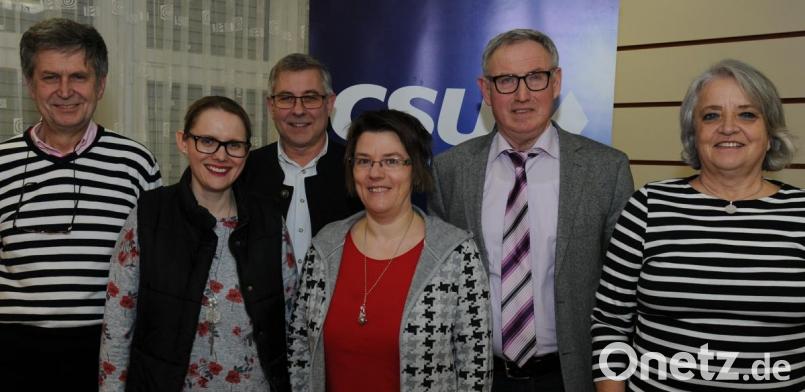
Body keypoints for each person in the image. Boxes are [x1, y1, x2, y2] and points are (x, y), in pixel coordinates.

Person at [429, 28, 634, 392]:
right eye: (506, 80)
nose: (522, 95)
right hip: (478, 378)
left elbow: (621, 294)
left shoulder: (607, 169)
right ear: (485, 90)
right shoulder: (451, 171)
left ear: (556, 82)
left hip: (571, 379)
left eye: (535, 78)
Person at [591, 59, 803, 391]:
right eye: (711, 115)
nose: (728, 127)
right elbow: (609, 324)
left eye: (747, 114)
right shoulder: (648, 207)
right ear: (694, 132)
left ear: (770, 133)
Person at [0, 18, 161, 390]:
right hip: (12, 356)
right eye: (50, 77)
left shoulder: (136, 164)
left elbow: (155, 272)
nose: (65, 90)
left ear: (100, 85)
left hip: (106, 355)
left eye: (79, 77)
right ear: (29, 84)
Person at [98, 96, 294, 391]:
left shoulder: (269, 220)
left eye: (234, 145)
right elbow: (118, 322)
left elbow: (292, 322)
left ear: (246, 152)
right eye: (207, 141)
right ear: (183, 141)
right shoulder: (150, 213)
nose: (220, 155)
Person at [287, 109, 492, 391]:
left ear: (416, 167)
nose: (375, 173)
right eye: (363, 161)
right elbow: (299, 350)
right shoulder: (326, 246)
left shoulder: (456, 254)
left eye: (391, 161)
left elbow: (475, 371)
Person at [239, 53, 361, 276]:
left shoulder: (359, 170)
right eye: (286, 98)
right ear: (271, 105)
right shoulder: (243, 170)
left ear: (329, 103)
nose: (298, 110)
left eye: (310, 98)